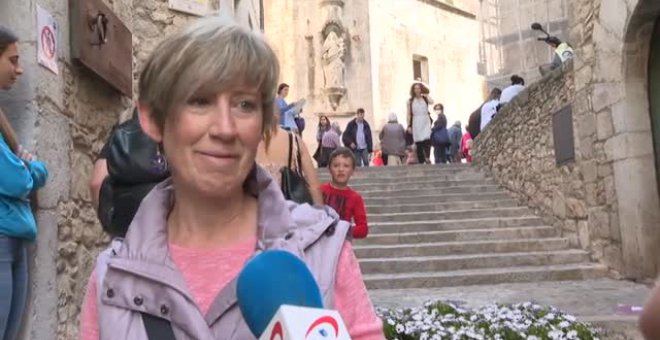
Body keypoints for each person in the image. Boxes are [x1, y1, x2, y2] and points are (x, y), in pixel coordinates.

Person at [79, 16, 383, 340]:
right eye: (199, 101)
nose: (225, 128)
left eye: (244, 104)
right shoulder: (113, 279)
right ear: (153, 120)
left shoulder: (321, 251)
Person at [0, 25, 49, 340]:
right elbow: (17, 180)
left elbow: (29, 173)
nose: (19, 70)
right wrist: (29, 167)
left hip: (15, 239)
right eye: (13, 59)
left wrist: (28, 169)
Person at [321, 148, 369, 239]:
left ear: (353, 171)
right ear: (329, 169)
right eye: (336, 166)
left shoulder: (355, 198)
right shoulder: (320, 191)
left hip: (342, 244)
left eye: (346, 166)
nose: (341, 169)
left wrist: (342, 230)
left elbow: (363, 228)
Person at [407, 82, 434, 164]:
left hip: (425, 120)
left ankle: (427, 157)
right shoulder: (410, 101)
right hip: (416, 120)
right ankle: (421, 160)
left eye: (418, 88)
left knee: (427, 139)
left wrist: (426, 94)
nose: (417, 90)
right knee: (418, 142)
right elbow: (408, 114)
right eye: (415, 88)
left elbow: (432, 102)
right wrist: (409, 125)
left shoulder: (425, 99)